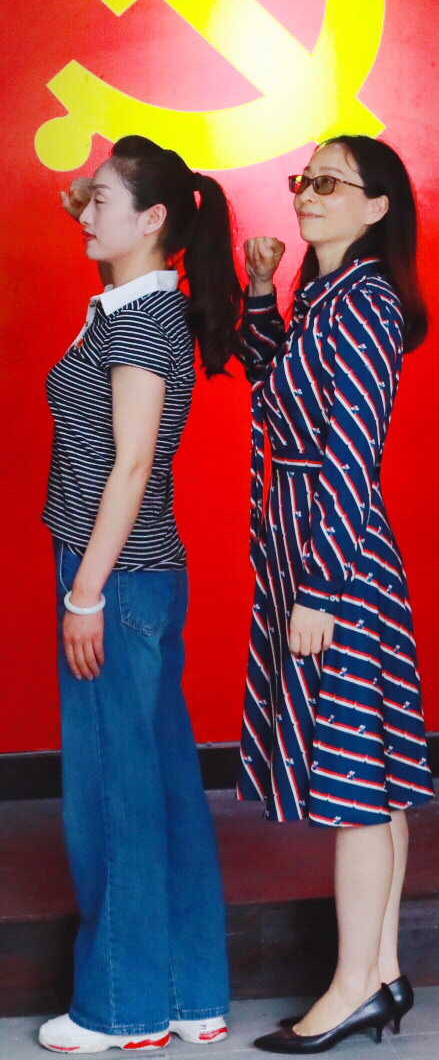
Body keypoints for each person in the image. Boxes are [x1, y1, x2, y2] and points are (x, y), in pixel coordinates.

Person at [37, 136, 242, 1055]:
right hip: (135, 578)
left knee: (113, 796)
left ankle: (121, 1010)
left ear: (154, 220)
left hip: (112, 578)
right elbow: (106, 230)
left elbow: (131, 465)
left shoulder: (143, 321)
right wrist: (98, 197)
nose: (85, 213)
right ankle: (192, 995)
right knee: (161, 788)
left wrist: (84, 592)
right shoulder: (135, 303)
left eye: (103, 201)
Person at [238, 135, 431, 1053]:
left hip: (335, 557)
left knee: (354, 782)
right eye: (303, 180)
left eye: (329, 182)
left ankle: (353, 986)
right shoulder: (324, 294)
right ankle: (382, 971)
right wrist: (258, 293)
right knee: (376, 780)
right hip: (315, 544)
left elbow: (353, 454)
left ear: (377, 205)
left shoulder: (365, 303)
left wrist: (320, 588)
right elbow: (275, 387)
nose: (307, 194)